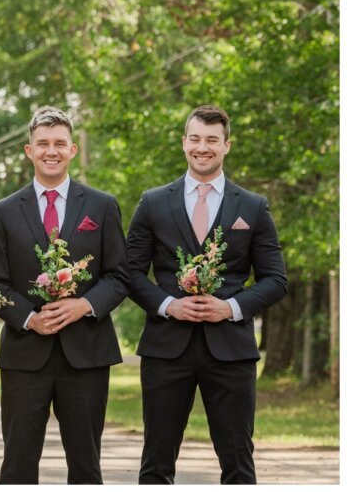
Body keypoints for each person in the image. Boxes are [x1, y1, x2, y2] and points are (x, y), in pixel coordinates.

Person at [127, 104, 287, 484]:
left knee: (238, 463)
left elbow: (275, 279)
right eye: (196, 138)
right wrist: (168, 304)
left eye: (212, 140)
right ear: (184, 143)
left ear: (226, 146)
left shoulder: (252, 206)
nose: (203, 147)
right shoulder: (152, 202)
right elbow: (128, 272)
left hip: (231, 351)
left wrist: (230, 307)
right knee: (156, 462)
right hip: (166, 350)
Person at [0, 106, 129, 483]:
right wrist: (29, 318)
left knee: (85, 464)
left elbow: (119, 275)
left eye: (60, 144)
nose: (52, 151)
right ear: (29, 151)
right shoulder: (2, 211)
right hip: (24, 354)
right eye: (43, 144)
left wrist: (84, 305)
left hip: (87, 354)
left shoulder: (101, 206)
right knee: (17, 464)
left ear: (72, 150)